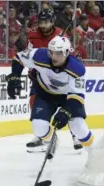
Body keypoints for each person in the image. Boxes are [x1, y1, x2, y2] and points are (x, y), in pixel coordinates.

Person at [6, 36, 94, 158]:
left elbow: (77, 97)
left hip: (68, 97)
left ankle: (95, 154)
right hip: (45, 93)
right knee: (39, 127)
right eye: (51, 52)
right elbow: (18, 58)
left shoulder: (77, 68)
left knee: (78, 127)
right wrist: (14, 76)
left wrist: (66, 111)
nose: (54, 57)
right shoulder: (39, 55)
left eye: (59, 53)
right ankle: (52, 140)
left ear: (67, 53)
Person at [26, 9, 83, 152]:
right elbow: (29, 53)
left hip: (60, 74)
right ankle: (41, 135)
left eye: (46, 22)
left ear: (52, 22)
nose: (43, 25)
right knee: (35, 101)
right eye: (41, 22)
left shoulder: (60, 34)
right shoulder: (33, 35)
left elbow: (69, 53)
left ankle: (75, 135)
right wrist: (31, 69)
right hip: (41, 74)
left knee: (70, 104)